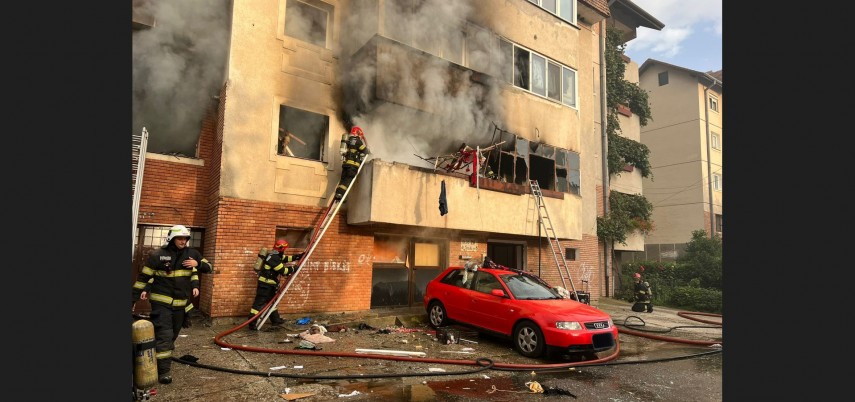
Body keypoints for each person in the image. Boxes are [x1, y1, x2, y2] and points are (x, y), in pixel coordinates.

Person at [132, 225, 213, 384]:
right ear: (171, 238)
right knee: (165, 334)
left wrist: (198, 264)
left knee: (173, 334)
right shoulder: (158, 255)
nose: (183, 241)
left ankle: (157, 353)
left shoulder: (193, 254)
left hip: (181, 306)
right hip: (161, 303)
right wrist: (132, 300)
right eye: (180, 238)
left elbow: (209, 268)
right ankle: (163, 371)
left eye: (185, 238)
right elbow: (143, 278)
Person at [249, 239, 305, 330]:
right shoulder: (273, 258)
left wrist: (298, 256)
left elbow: (286, 259)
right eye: (284, 249)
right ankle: (251, 324)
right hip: (265, 285)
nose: (285, 251)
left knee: (272, 303)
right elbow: (284, 271)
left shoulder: (275, 255)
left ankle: (276, 320)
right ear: (282, 248)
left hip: (270, 284)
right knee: (258, 305)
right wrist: (294, 268)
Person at [334, 126, 369, 201]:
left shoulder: (348, 141)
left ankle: (338, 194)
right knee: (347, 180)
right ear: (358, 133)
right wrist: (368, 151)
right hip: (353, 165)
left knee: (343, 180)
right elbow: (365, 151)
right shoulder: (358, 141)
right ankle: (340, 195)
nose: (361, 137)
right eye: (360, 135)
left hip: (345, 165)